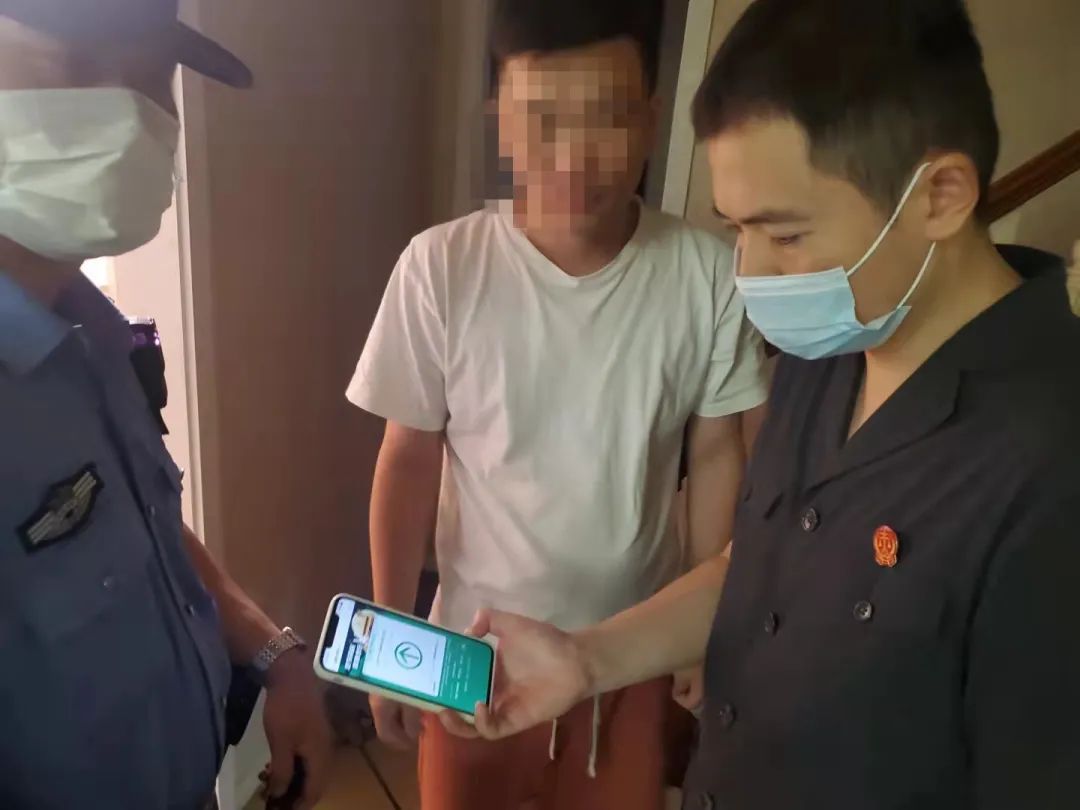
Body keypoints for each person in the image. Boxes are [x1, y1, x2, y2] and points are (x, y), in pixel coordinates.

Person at [438, 1, 1080, 809]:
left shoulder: (1050, 467)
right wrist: (588, 658)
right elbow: (755, 569)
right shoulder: (831, 345)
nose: (753, 275)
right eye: (737, 229)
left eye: (786, 235)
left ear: (940, 195)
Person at [346, 0, 768, 806]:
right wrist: (389, 636)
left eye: (608, 116)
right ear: (499, 122)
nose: (573, 156)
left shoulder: (707, 274)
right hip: (473, 660)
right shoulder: (441, 268)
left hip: (630, 650)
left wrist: (698, 624)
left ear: (651, 121)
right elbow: (407, 457)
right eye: (541, 119)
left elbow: (717, 452)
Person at [0, 1, 332, 808]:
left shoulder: (94, 333)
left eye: (152, 77)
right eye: (76, 64)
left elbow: (134, 525)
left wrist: (275, 656)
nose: (126, 117)